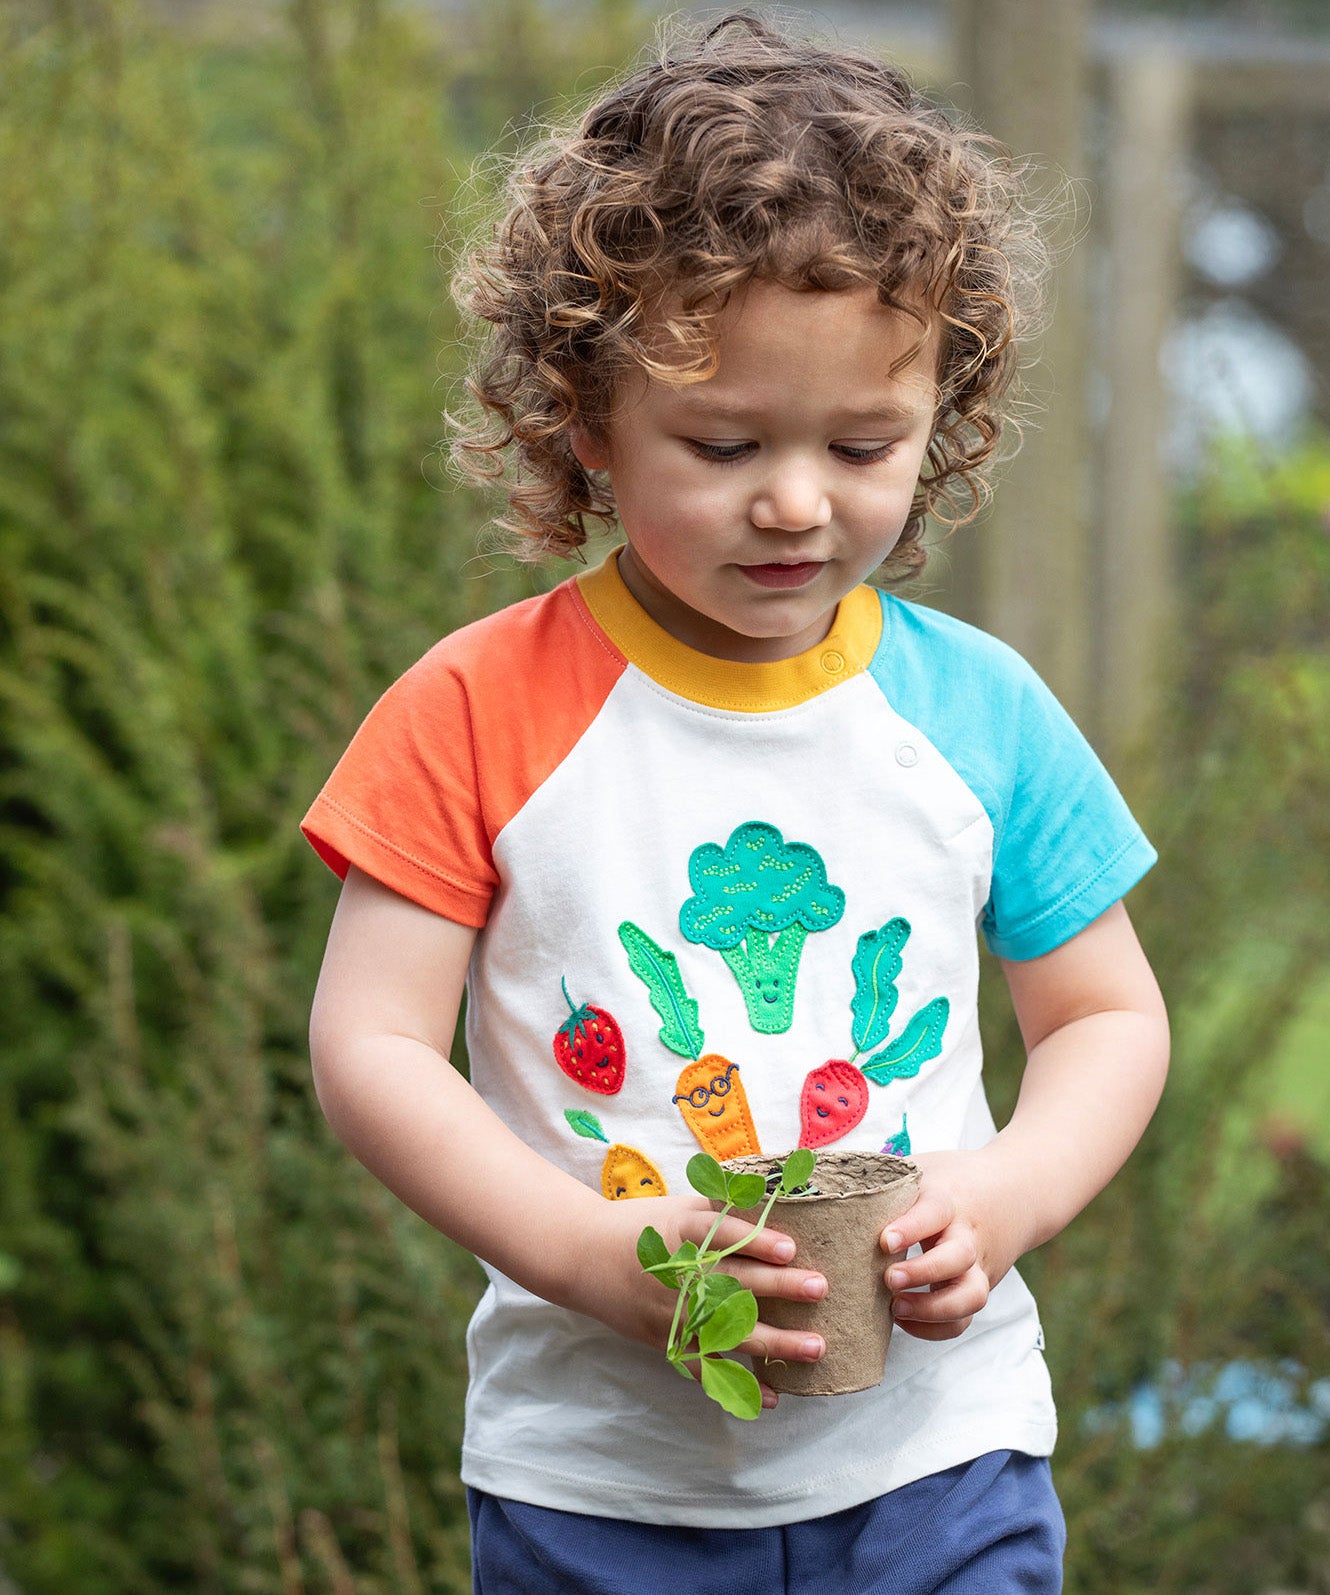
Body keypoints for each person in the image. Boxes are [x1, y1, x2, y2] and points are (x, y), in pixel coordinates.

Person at [302, 12, 1170, 1592]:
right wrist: (596, 1257)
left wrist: (1002, 1197)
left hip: (938, 1460)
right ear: (585, 423)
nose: (794, 501)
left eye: (862, 443)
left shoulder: (974, 710)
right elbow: (369, 1045)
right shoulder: (477, 710)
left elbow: (1105, 1018)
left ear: (941, 418)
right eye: (721, 443)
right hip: (600, 1486)